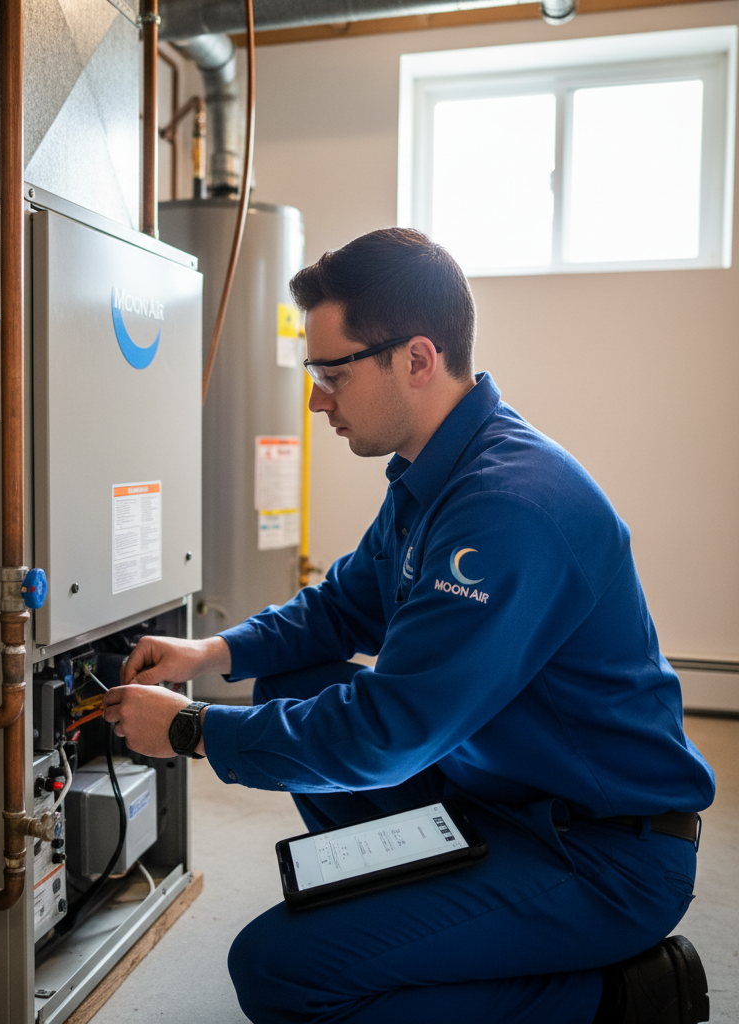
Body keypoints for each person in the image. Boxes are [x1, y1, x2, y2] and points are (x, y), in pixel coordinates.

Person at [102, 228, 715, 1024]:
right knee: (291, 676)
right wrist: (210, 652)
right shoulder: (432, 475)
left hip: (601, 851)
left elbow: (388, 731)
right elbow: (341, 608)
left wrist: (193, 732)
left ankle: (621, 996)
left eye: (332, 374)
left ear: (417, 360)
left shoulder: (508, 506)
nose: (318, 399)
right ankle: (418, 912)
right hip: (498, 792)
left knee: (277, 972)